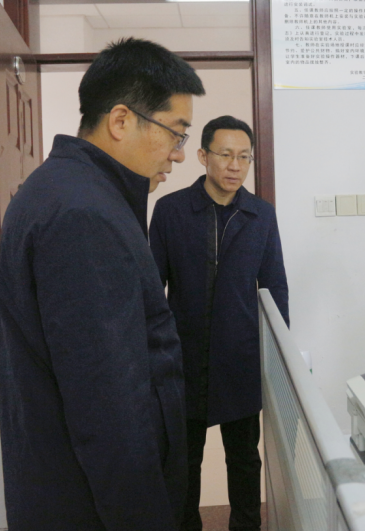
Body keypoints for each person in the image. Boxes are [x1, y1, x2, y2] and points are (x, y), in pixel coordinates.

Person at [0, 38, 205, 529]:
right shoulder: (83, 216)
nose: (178, 155)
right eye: (176, 134)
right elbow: (109, 408)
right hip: (88, 506)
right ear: (121, 121)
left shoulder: (67, 190)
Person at [149, 115, 289, 531]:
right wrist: (151, 354)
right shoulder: (171, 210)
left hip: (239, 357)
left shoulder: (261, 215)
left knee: (244, 458)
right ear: (203, 156)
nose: (235, 165)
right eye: (226, 154)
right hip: (183, 359)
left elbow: (275, 289)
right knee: (183, 461)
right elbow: (152, 288)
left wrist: (278, 357)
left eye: (244, 157)